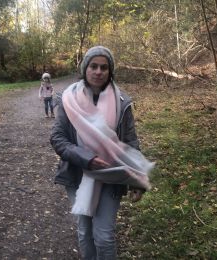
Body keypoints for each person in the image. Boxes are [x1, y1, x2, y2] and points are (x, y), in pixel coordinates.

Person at [50, 46, 153, 259]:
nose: (98, 71)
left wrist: (137, 181)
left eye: (104, 67)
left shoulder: (122, 102)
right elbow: (58, 139)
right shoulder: (69, 99)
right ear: (85, 68)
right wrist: (87, 159)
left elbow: (130, 142)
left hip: (112, 174)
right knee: (84, 231)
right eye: (93, 66)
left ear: (110, 71)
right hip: (78, 173)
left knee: (104, 235)